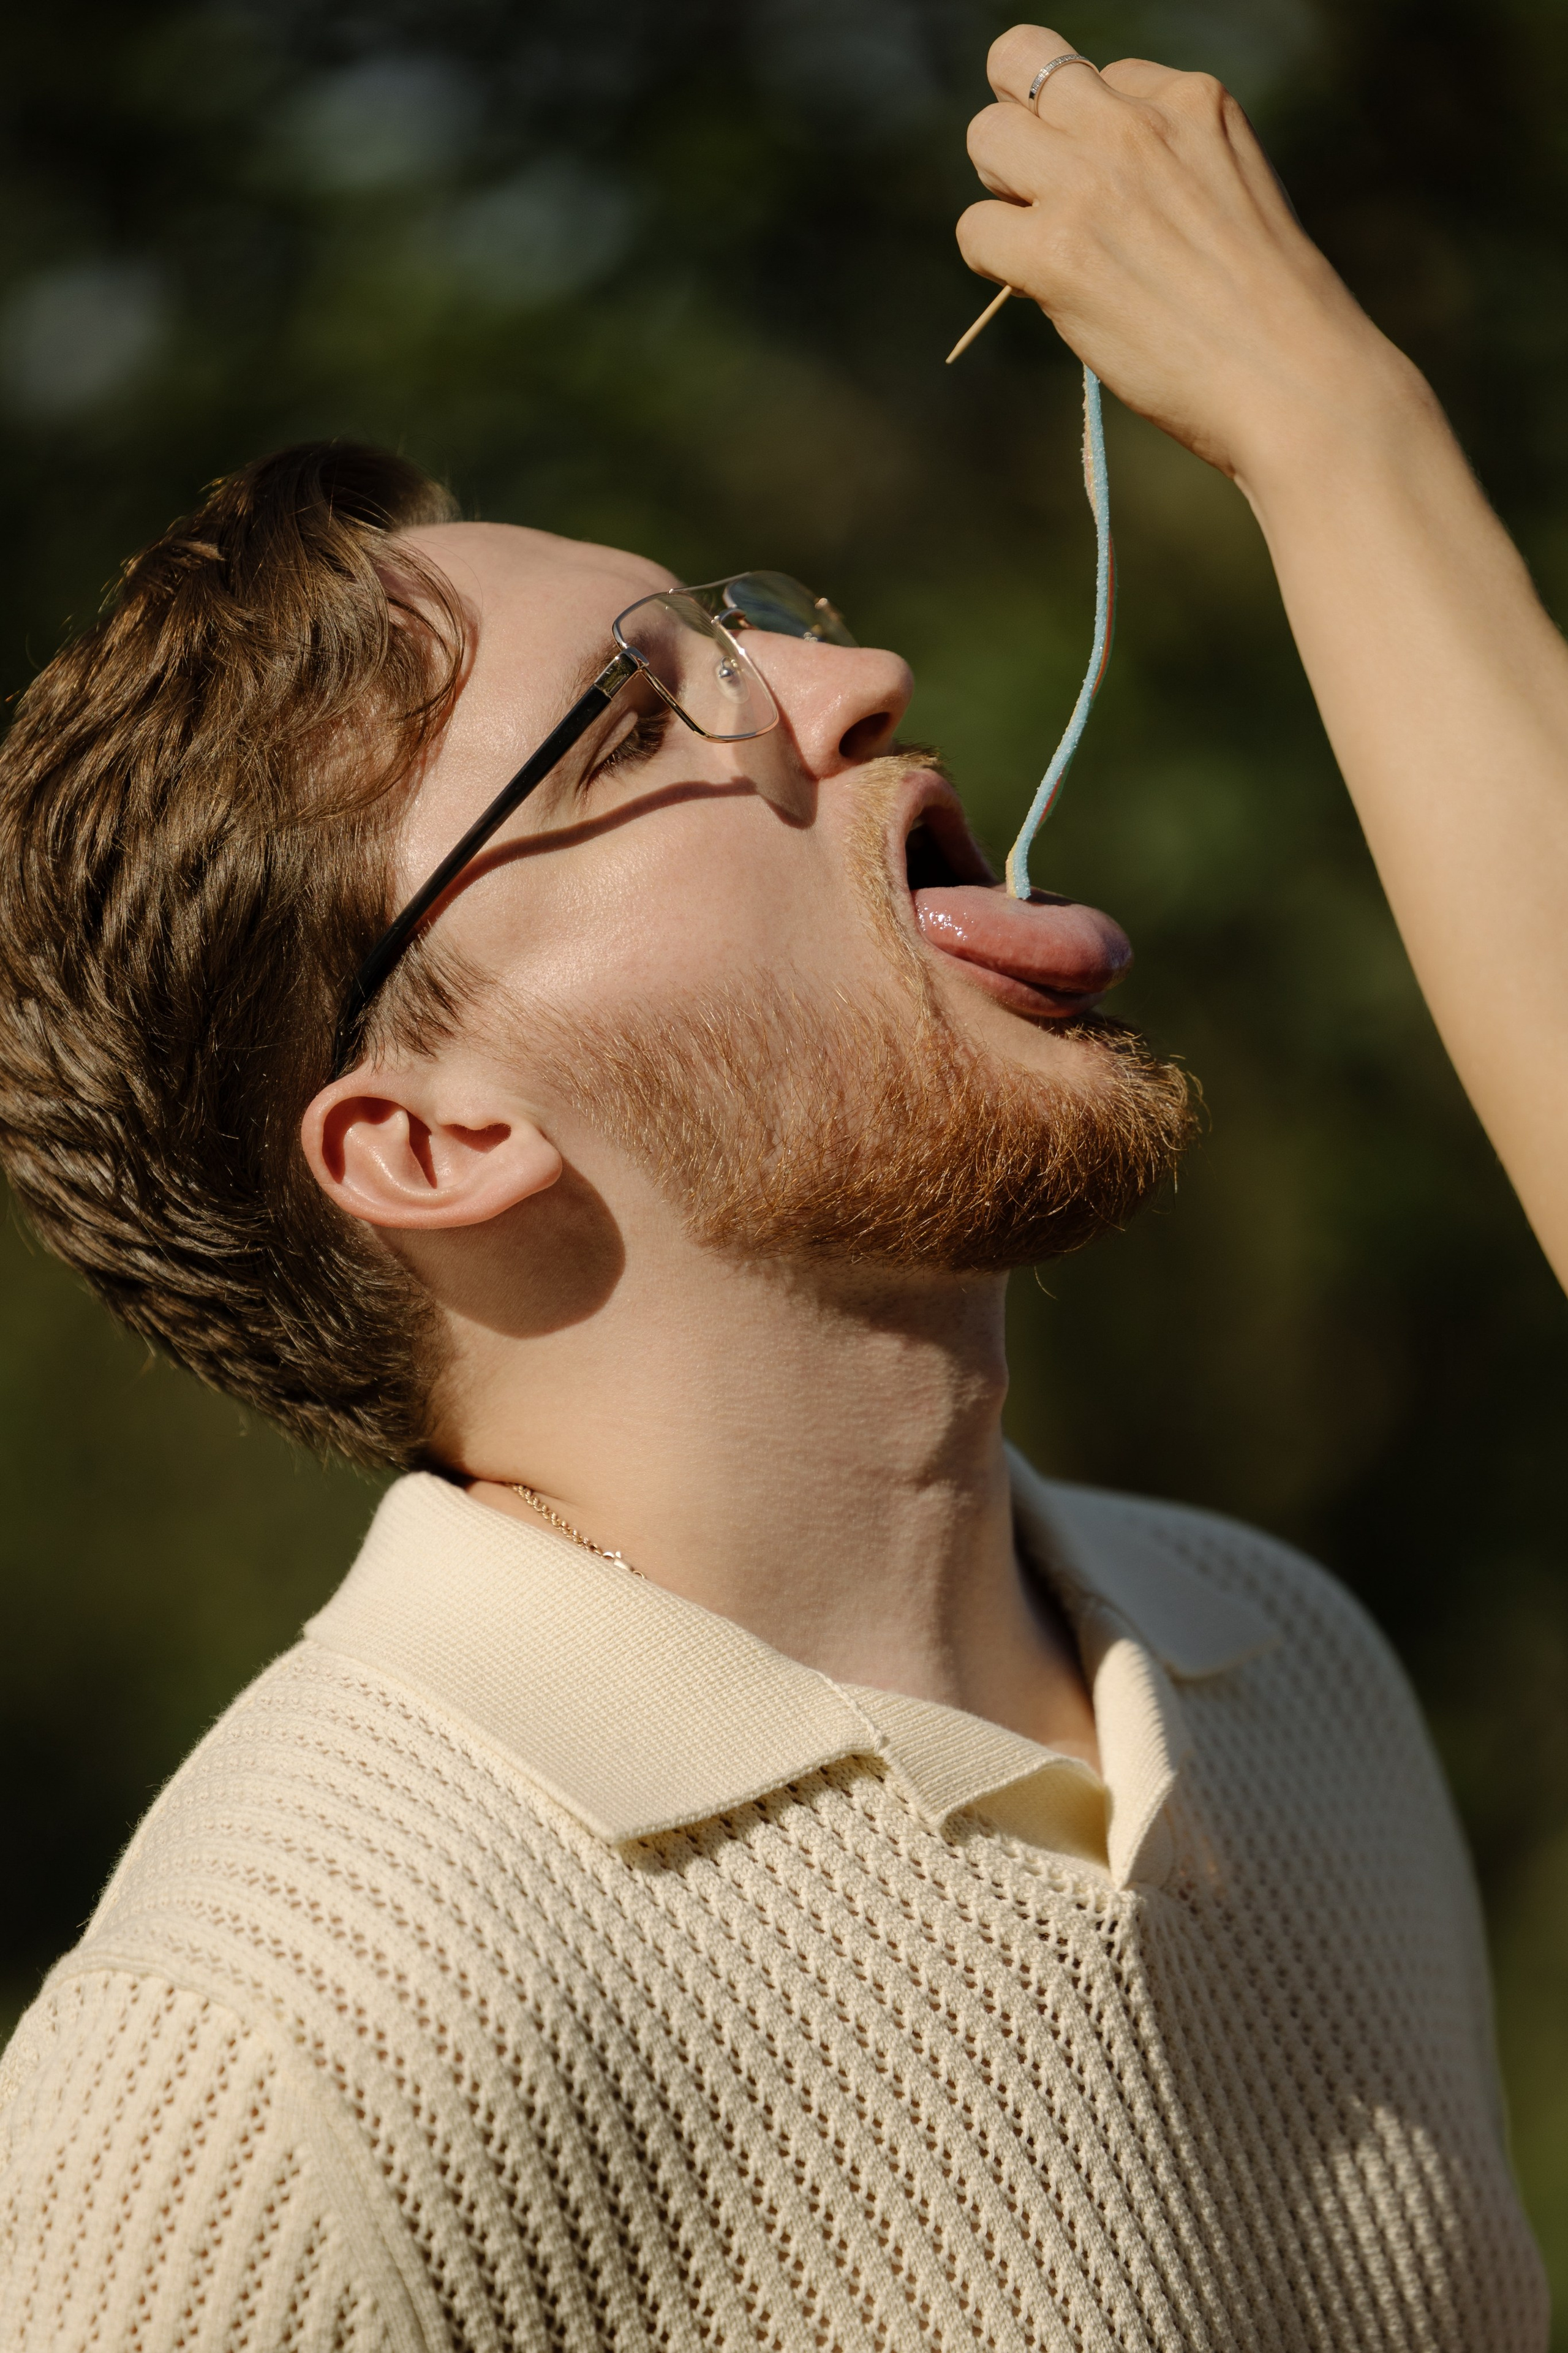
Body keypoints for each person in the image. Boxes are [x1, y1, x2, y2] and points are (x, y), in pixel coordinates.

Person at [0, 20, 1555, 2350]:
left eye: (749, 629)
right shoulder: (260, 2053)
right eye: (636, 711)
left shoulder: (1286, 1661)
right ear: (430, 1137)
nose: (856, 679)